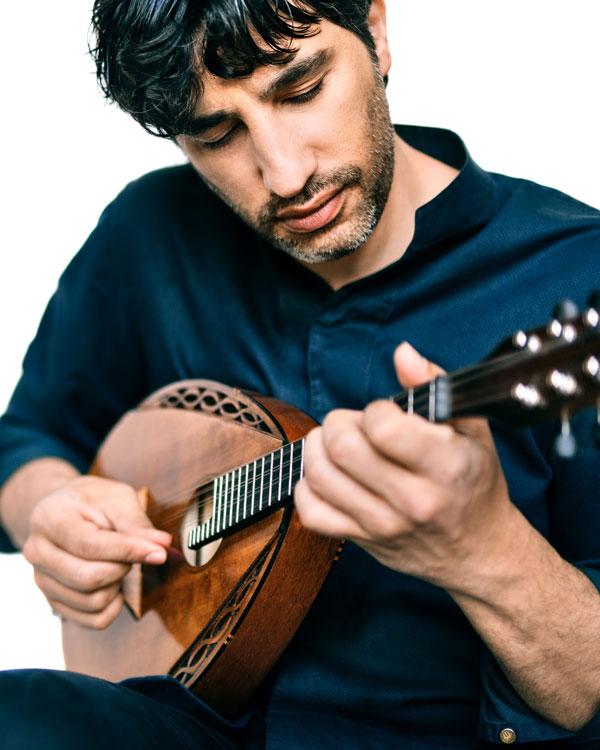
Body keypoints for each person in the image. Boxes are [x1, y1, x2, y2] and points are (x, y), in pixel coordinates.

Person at [0, 0, 599, 747]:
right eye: (217, 133)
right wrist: (51, 509)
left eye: (302, 88)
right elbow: (28, 437)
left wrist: (488, 553)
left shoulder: (578, 274)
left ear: (376, 31)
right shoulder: (149, 234)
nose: (286, 174)